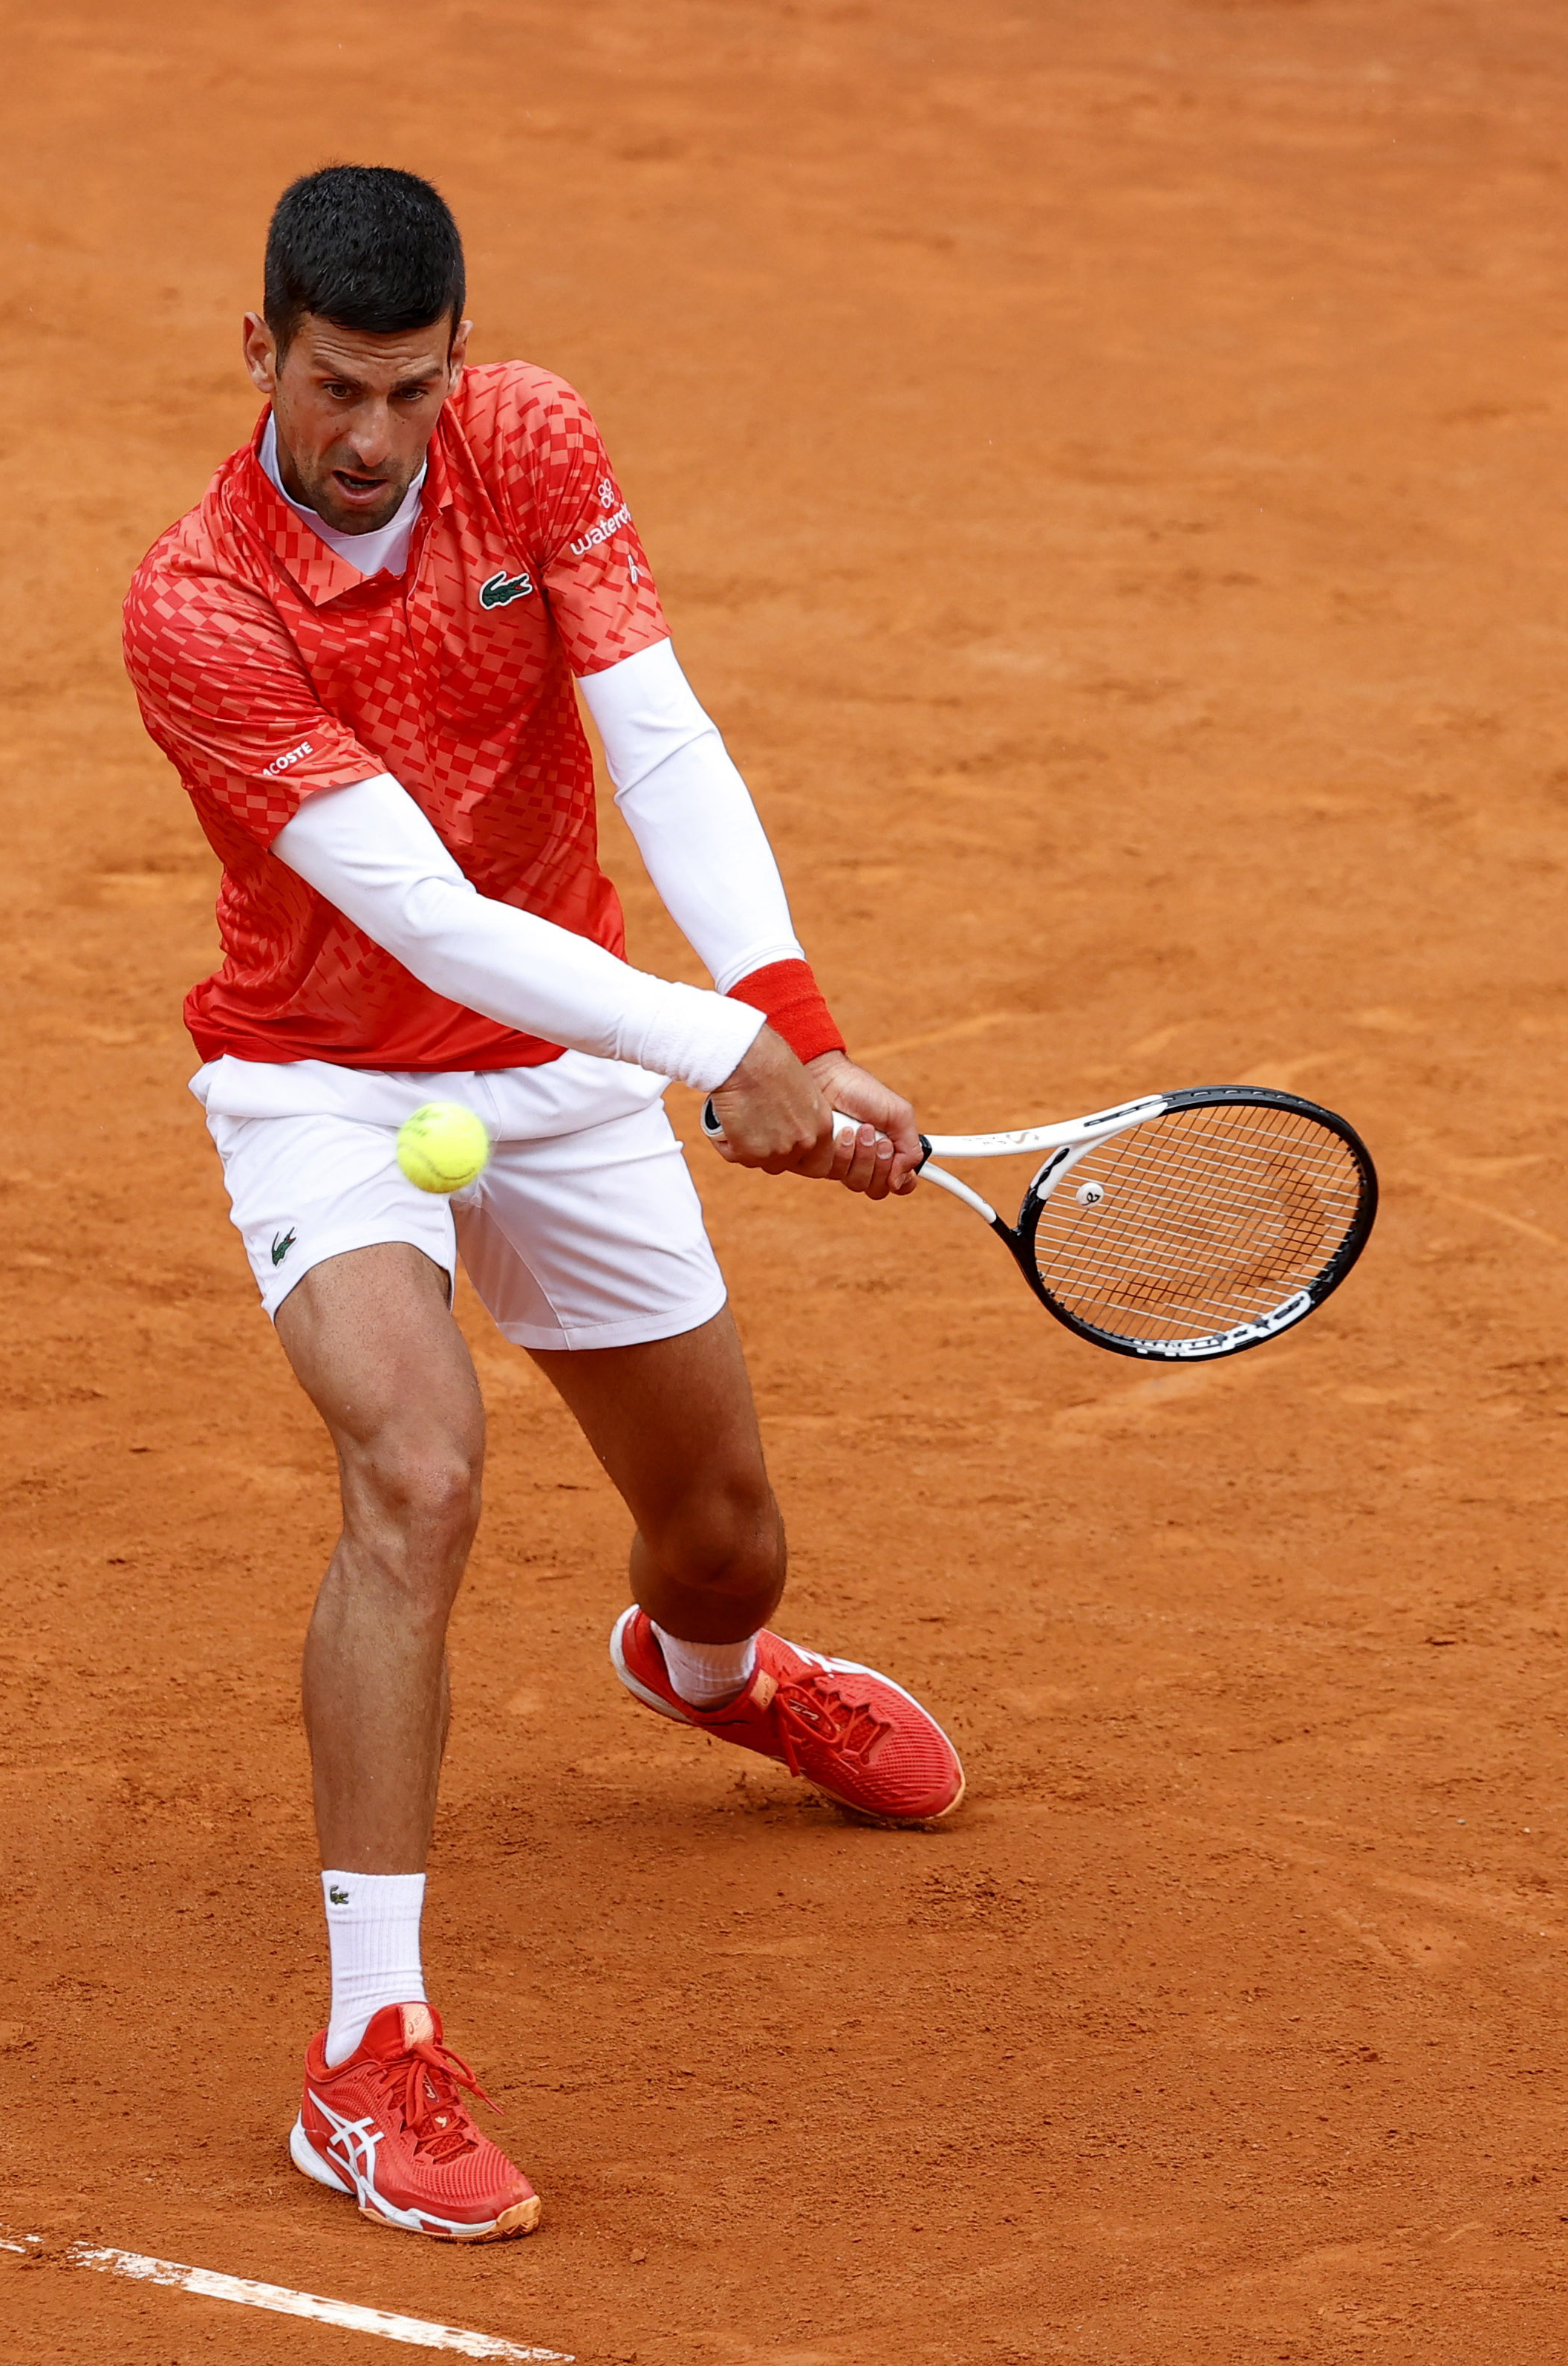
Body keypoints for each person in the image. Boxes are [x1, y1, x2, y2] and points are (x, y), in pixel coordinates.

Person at [122, 165, 963, 2246]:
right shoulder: (197, 602)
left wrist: (786, 1014)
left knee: (723, 1534)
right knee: (416, 1468)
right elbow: (412, 903)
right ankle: (368, 2050)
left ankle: (704, 1672)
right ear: (260, 354)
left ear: (456, 365)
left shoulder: (537, 444)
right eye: (333, 388)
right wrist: (716, 1053)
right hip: (324, 1083)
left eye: (411, 389)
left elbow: (655, 739)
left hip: (563, 1065)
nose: (372, 439)